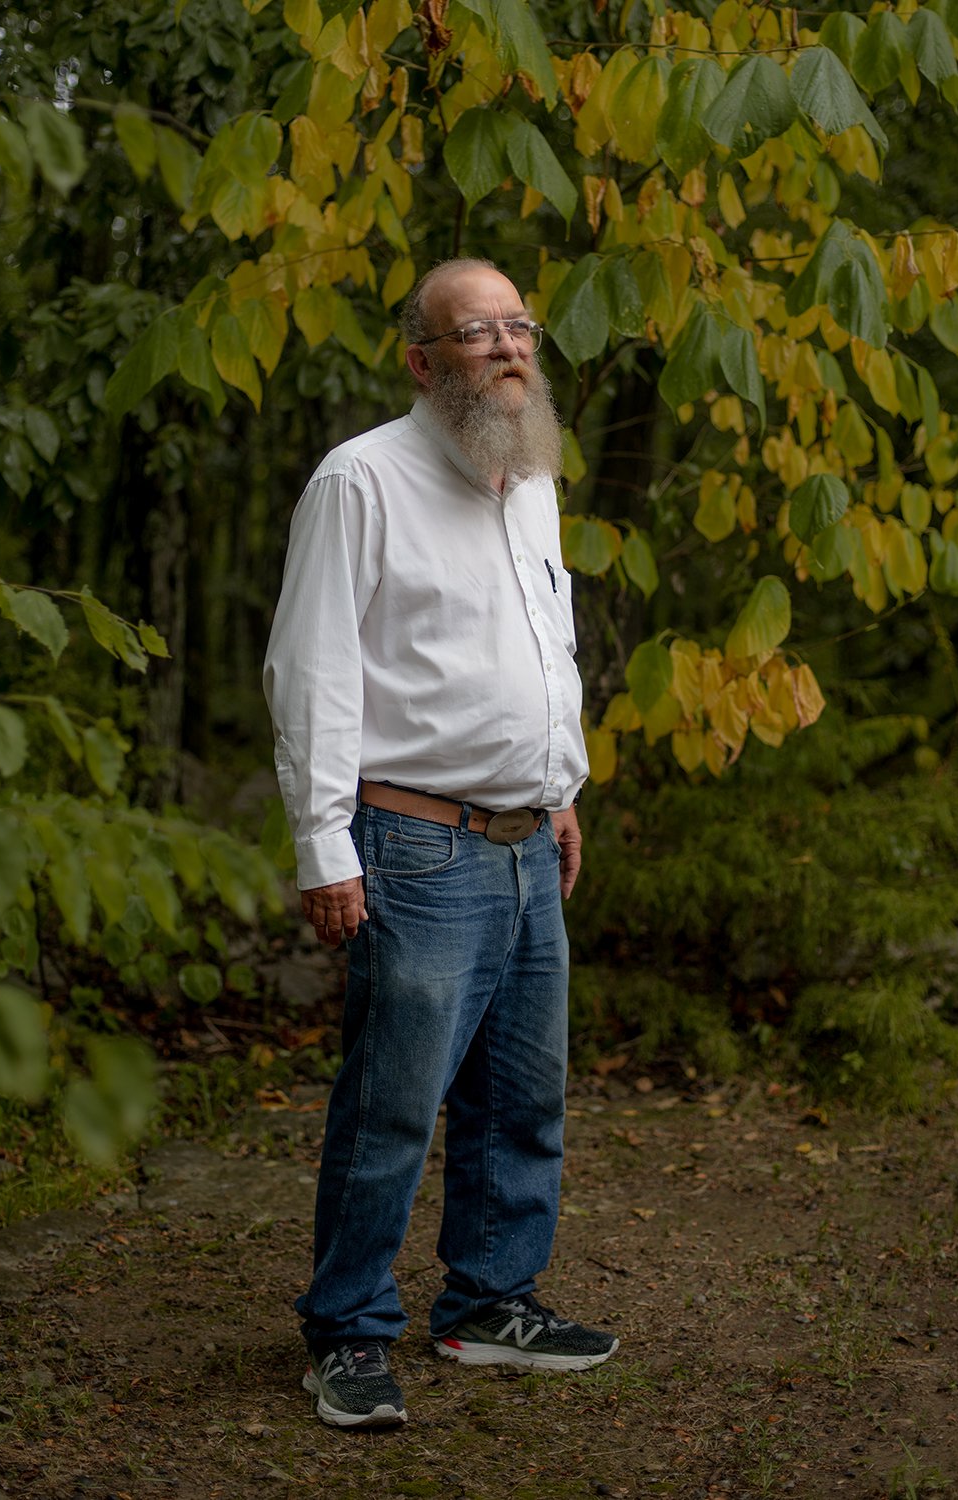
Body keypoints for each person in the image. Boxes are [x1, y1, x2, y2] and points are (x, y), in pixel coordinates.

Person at [263, 257, 617, 1430]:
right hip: (417, 846)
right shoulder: (360, 481)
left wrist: (559, 787)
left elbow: (544, 641)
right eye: (477, 332)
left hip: (526, 843)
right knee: (392, 1110)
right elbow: (310, 667)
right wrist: (323, 842)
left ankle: (489, 1304)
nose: (509, 347)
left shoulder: (531, 477)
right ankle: (347, 1331)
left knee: (522, 1101)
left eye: (520, 326)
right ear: (422, 362)